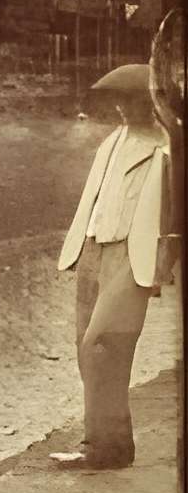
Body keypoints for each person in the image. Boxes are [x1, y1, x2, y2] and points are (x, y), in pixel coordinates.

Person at [52, 62, 177, 469]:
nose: (124, 109)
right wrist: (79, 246)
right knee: (84, 350)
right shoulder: (111, 144)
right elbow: (95, 197)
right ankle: (107, 445)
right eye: (119, 102)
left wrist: (164, 263)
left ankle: (107, 448)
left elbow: (173, 217)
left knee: (103, 345)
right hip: (92, 248)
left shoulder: (167, 149)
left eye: (133, 102)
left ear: (152, 104)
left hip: (131, 254)